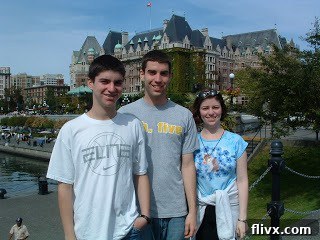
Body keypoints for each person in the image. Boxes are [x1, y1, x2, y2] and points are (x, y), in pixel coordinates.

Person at [46, 55, 150, 240]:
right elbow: (65, 187)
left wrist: (144, 216)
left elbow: (140, 173)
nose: (111, 88)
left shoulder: (133, 125)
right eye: (104, 81)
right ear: (90, 83)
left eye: (117, 83)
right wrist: (69, 235)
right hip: (87, 232)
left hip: (127, 230)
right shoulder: (71, 130)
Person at [119, 50, 199, 239]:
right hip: (137, 210)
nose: (158, 79)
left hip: (176, 210)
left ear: (170, 76)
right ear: (142, 74)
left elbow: (187, 166)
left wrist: (192, 211)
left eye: (163, 73)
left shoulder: (183, 115)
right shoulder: (125, 114)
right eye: (152, 72)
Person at [192, 89, 248, 239]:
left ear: (222, 109)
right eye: (205, 108)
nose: (211, 112)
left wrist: (242, 219)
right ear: (199, 111)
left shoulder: (236, 141)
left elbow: (242, 181)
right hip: (201, 211)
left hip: (230, 208)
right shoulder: (191, 143)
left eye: (215, 107)